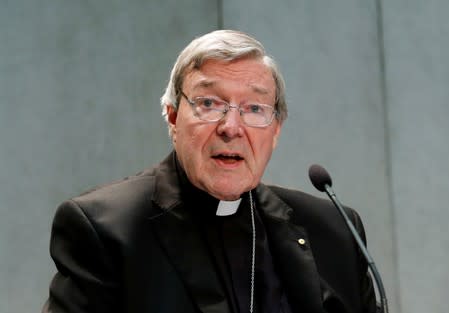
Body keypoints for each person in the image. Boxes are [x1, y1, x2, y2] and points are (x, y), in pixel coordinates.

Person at [42, 30, 377, 313]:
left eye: (254, 108)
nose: (231, 127)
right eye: (209, 104)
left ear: (275, 131)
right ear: (172, 117)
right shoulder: (105, 230)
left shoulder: (335, 232)